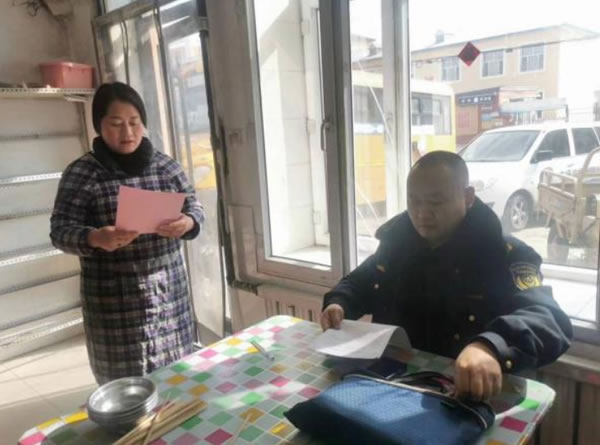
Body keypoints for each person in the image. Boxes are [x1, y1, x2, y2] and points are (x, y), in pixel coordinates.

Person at [321, 151, 572, 401]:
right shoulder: (397, 244)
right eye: (414, 201)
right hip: (391, 384)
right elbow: (362, 280)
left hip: (464, 395)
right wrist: (339, 302)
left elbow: (547, 317)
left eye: (435, 202)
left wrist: (491, 346)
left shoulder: (503, 255)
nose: (422, 213)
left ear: (468, 197)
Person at [50, 82, 205, 384]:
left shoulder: (165, 167)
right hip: (114, 302)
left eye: (134, 122)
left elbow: (195, 206)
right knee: (125, 386)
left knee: (176, 379)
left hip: (168, 295)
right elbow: (59, 231)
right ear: (99, 125)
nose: (128, 132)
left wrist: (188, 222)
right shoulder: (82, 173)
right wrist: (95, 238)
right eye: (116, 123)